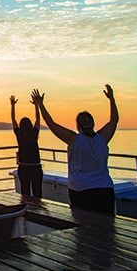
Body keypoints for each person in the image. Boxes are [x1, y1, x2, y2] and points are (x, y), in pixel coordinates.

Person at [31, 85, 118, 215]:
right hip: (104, 189)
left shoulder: (74, 140)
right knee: (107, 228)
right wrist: (112, 99)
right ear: (93, 123)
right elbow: (114, 120)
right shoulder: (103, 138)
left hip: (80, 190)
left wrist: (40, 105)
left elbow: (51, 124)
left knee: (83, 228)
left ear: (78, 125)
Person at [10, 94, 42, 198]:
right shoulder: (34, 133)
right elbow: (38, 119)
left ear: (21, 125)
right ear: (30, 124)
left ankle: (26, 212)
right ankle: (38, 212)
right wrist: (36, 105)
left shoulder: (19, 134)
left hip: (23, 167)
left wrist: (12, 105)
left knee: (25, 193)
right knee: (37, 193)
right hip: (36, 167)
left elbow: (13, 120)